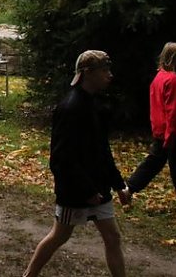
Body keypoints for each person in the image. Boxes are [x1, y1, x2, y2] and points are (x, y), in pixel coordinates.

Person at [23, 50, 131, 277]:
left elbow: (102, 150)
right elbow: (61, 159)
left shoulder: (95, 105)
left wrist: (119, 184)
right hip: (75, 191)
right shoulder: (70, 108)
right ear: (88, 73)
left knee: (113, 237)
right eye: (104, 70)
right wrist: (86, 191)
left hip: (99, 187)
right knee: (59, 236)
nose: (110, 75)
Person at [126, 42, 176, 217]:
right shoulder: (174, 80)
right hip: (175, 133)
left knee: (153, 163)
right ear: (172, 59)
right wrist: (171, 135)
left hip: (161, 131)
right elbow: (173, 110)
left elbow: (173, 106)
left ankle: (128, 189)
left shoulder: (159, 78)